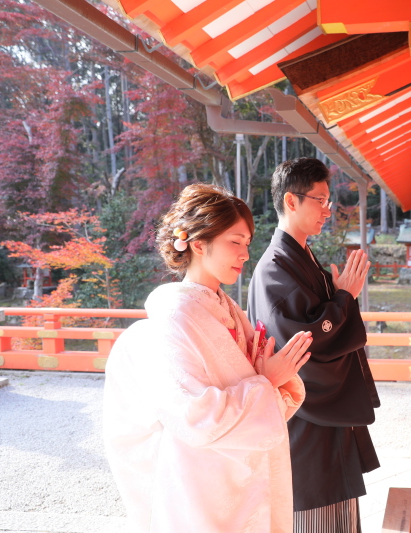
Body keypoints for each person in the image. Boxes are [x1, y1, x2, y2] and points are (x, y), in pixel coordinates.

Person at [103, 183, 312, 533]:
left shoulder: (225, 306)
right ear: (199, 243)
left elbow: (254, 385)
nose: (245, 254)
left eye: (247, 243)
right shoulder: (176, 313)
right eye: (235, 242)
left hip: (242, 465)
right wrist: (268, 380)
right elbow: (192, 414)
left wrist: (267, 377)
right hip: (201, 477)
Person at [247, 158, 380, 532]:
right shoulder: (274, 269)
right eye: (320, 200)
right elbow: (304, 345)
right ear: (292, 201)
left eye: (328, 200)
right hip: (308, 414)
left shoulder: (300, 256)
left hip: (323, 414)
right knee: (314, 509)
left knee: (335, 509)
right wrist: (344, 299)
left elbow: (321, 324)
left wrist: (340, 298)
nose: (328, 209)